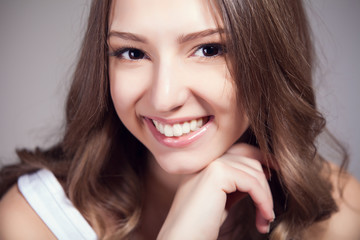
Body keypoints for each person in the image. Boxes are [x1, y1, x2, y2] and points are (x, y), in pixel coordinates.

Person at [0, 0, 359, 239]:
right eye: (132, 52)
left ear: (271, 57)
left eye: (209, 49)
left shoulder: (342, 214)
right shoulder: (34, 222)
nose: (164, 97)